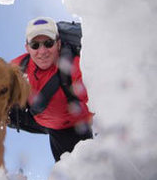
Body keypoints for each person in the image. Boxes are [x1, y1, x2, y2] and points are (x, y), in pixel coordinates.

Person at [8, 16, 94, 162]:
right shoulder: (18, 66)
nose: (42, 51)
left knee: (76, 170)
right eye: (35, 45)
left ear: (58, 44)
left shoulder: (76, 68)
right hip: (37, 119)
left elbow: (102, 104)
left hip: (70, 128)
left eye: (48, 43)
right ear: (27, 48)